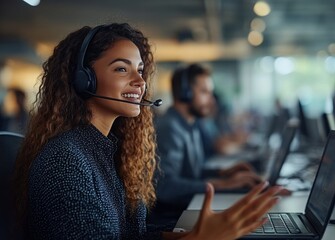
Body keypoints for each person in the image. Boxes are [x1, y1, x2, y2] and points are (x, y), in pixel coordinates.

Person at [12, 23, 282, 240]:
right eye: (121, 69)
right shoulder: (66, 160)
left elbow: (131, 234)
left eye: (140, 70)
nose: (140, 82)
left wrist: (189, 234)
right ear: (85, 80)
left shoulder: (108, 149)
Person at [153, 64, 264, 224]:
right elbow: (165, 186)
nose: (211, 100)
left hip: (188, 208)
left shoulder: (190, 125)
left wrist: (224, 173)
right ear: (185, 93)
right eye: (204, 92)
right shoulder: (170, 128)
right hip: (173, 219)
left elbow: (191, 174)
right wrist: (222, 184)